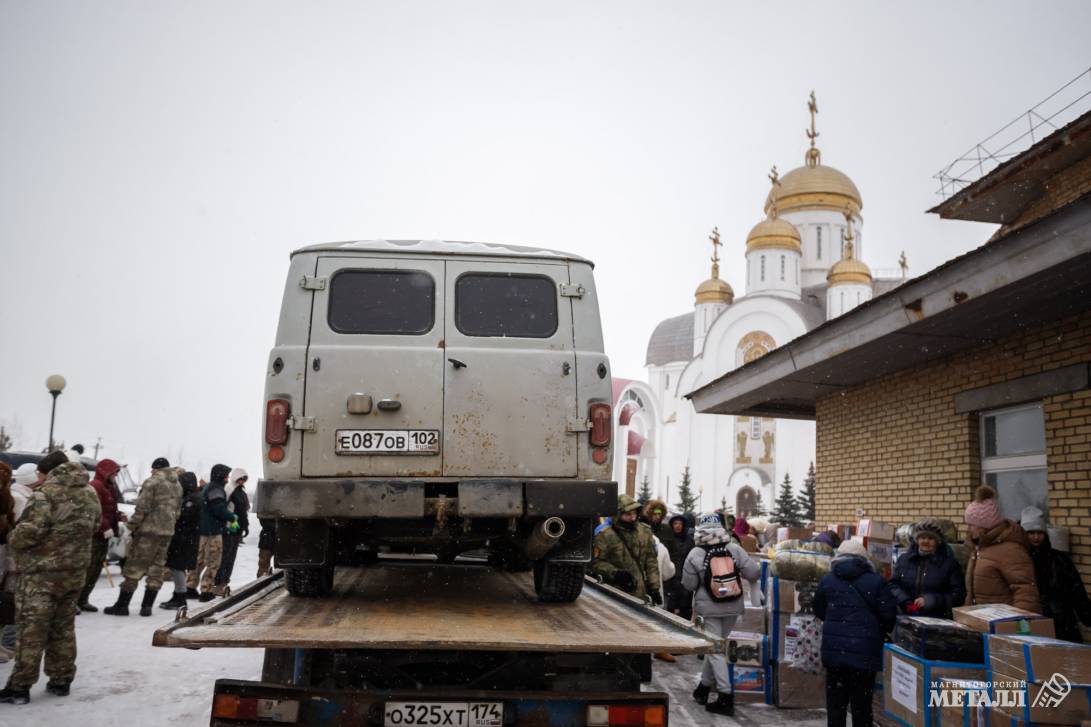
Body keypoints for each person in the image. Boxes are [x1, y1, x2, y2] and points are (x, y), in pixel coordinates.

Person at [0, 455, 100, 704]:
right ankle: (61, 679)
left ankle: (19, 686)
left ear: (49, 472)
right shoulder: (89, 493)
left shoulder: (46, 494)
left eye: (41, 475)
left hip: (41, 576)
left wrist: (13, 536)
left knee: (31, 630)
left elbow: (29, 533)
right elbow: (96, 525)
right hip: (74, 573)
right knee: (63, 629)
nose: (39, 479)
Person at [682, 513, 761, 717]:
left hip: (708, 609)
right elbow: (753, 572)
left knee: (715, 649)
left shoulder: (695, 553)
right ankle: (703, 689)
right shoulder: (734, 547)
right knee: (716, 645)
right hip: (733, 605)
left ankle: (725, 697)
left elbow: (689, 585)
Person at [813, 539, 898, 727]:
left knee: (836, 705)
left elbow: (819, 610)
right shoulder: (876, 582)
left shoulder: (828, 579)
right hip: (865, 655)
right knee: (862, 705)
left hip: (835, 653)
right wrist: (877, 631)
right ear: (863, 558)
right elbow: (888, 615)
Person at [104, 458, 182, 617]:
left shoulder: (152, 482)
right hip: (166, 532)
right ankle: (147, 607)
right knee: (156, 569)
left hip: (148, 532)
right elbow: (178, 511)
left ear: (156, 469)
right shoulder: (177, 485)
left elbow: (142, 508)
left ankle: (122, 605)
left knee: (135, 567)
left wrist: (131, 527)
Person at [963, 485, 1039, 612]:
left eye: (972, 524)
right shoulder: (979, 549)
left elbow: (1025, 592)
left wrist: (1017, 626)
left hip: (1002, 624)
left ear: (984, 526)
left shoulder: (1011, 551)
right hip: (982, 620)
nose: (969, 529)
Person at [1021, 506, 1091, 643]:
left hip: (1062, 623)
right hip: (1032, 623)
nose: (1036, 537)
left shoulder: (1058, 559)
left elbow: (1077, 592)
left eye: (1039, 532)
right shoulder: (1019, 560)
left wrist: (1087, 616)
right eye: (1031, 533)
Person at [889, 518, 966, 618]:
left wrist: (933, 601)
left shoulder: (949, 564)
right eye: (922, 537)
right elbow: (893, 585)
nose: (925, 541)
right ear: (917, 540)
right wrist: (905, 601)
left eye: (930, 538)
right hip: (906, 616)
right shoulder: (904, 560)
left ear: (938, 541)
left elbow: (958, 595)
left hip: (936, 620)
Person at [590, 494, 661, 604]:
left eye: (634, 513)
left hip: (640, 594)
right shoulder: (605, 535)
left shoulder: (645, 532)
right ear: (618, 515)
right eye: (628, 514)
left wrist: (654, 588)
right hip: (613, 593)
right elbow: (596, 563)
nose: (632, 518)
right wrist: (616, 573)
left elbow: (651, 562)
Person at [77, 459, 123, 612]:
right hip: (96, 533)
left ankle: (83, 599)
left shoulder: (108, 487)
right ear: (106, 472)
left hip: (103, 535)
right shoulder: (96, 485)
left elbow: (109, 509)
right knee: (88, 568)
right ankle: (76, 600)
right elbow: (95, 510)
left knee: (95, 569)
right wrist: (104, 527)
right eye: (114, 473)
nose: (115, 476)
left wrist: (118, 517)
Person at [187, 464, 238, 602]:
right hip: (213, 532)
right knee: (213, 561)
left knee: (199, 560)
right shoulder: (217, 489)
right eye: (226, 475)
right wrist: (231, 517)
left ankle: (190, 587)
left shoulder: (208, 488)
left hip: (202, 530)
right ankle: (206, 591)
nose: (228, 478)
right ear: (220, 475)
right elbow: (219, 509)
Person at [159, 471, 202, 610]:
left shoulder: (192, 499)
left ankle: (181, 598)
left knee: (177, 567)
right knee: (176, 567)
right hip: (184, 538)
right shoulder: (191, 497)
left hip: (184, 539)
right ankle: (178, 595)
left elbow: (183, 517)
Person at [213, 467, 250, 596]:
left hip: (237, 529)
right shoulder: (229, 490)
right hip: (229, 528)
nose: (242, 481)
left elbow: (243, 511)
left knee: (231, 557)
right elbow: (223, 508)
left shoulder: (242, 492)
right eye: (240, 478)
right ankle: (218, 583)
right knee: (224, 556)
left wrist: (245, 526)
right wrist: (226, 523)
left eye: (244, 479)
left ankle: (225, 581)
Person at [663, 513, 694, 620]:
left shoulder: (689, 540)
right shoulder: (667, 539)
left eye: (680, 523)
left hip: (685, 576)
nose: (678, 526)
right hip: (670, 577)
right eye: (675, 523)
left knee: (685, 607)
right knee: (670, 607)